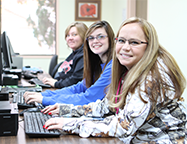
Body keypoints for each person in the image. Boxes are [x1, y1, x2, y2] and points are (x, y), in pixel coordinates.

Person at [42, 17, 187, 144]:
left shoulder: (152, 77)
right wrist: (65, 109)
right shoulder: (126, 69)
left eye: (134, 42)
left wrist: (70, 124)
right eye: (122, 41)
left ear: (149, 46)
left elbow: (123, 126)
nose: (125, 47)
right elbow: (106, 106)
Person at [23, 21, 115, 106]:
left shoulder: (112, 67)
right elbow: (77, 88)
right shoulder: (97, 65)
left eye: (100, 36)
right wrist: (43, 94)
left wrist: (45, 99)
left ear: (110, 39)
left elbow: (88, 97)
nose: (95, 41)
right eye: (91, 38)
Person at [42, 22, 88, 88]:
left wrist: (56, 83)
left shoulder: (84, 55)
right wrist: (54, 81)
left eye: (74, 35)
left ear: (83, 36)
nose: (70, 38)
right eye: (68, 35)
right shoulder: (74, 54)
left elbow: (76, 80)